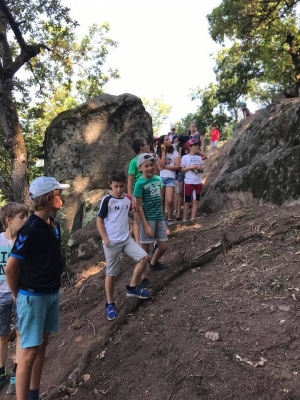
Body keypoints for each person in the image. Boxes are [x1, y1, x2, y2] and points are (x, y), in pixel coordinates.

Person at [5, 176, 70, 400]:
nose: (62, 197)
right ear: (49, 197)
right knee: (28, 353)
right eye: (58, 193)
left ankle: (34, 394)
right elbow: (11, 269)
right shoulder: (29, 229)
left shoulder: (54, 225)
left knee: (42, 345)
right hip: (32, 297)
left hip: (51, 293)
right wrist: (18, 296)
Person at [97, 170, 151, 321]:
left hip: (126, 239)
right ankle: (110, 303)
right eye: (116, 187)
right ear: (110, 185)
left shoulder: (127, 199)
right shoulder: (107, 200)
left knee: (144, 258)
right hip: (112, 242)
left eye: (121, 186)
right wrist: (106, 239)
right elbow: (100, 221)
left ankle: (132, 287)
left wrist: (131, 228)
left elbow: (129, 214)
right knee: (111, 273)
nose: (119, 190)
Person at [0, 203, 28, 395]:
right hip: (1, 294)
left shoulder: (25, 241)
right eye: (22, 217)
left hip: (20, 293)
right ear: (8, 220)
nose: (25, 221)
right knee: (1, 334)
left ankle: (16, 372)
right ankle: (1, 370)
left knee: (19, 333)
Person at [134, 153, 168, 289]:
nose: (149, 168)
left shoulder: (158, 180)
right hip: (148, 219)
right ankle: (143, 277)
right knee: (145, 249)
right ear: (140, 168)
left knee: (164, 245)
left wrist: (163, 215)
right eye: (146, 166)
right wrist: (146, 225)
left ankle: (153, 263)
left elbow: (160, 199)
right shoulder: (139, 184)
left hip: (159, 217)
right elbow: (139, 206)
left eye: (151, 165)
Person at [127, 138, 151, 245]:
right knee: (136, 218)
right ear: (141, 147)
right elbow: (130, 181)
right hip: (138, 193)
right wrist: (131, 197)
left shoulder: (149, 160)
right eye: (146, 144)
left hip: (149, 191)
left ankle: (150, 238)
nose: (148, 146)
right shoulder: (133, 162)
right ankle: (137, 243)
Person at [156, 135, 180, 225]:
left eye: (169, 139)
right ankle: (162, 220)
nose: (169, 141)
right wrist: (163, 152)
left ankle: (170, 219)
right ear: (162, 143)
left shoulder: (174, 152)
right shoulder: (158, 153)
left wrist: (164, 167)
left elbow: (177, 166)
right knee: (161, 200)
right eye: (167, 140)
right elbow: (161, 163)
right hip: (161, 178)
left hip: (171, 178)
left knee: (169, 200)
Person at [180, 138, 204, 221]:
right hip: (189, 182)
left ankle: (193, 219)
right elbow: (181, 169)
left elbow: (203, 169)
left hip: (198, 182)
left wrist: (200, 168)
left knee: (196, 201)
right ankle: (184, 220)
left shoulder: (199, 158)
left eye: (197, 144)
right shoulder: (185, 158)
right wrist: (190, 167)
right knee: (187, 202)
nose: (197, 146)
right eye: (195, 145)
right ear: (189, 147)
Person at [175, 135, 190, 221]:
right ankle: (178, 213)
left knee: (185, 193)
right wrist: (180, 153)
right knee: (180, 192)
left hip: (188, 172)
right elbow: (179, 161)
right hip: (180, 172)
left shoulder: (189, 149)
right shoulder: (179, 149)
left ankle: (184, 212)